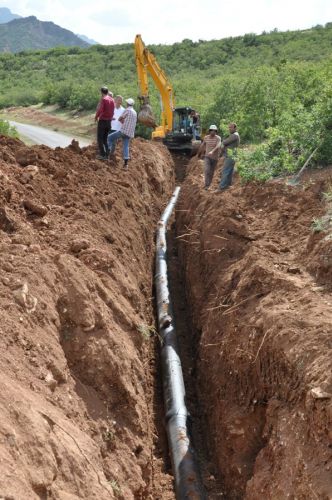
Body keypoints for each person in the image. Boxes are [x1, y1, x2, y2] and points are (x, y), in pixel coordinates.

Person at [107, 98, 137, 169]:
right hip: (130, 133)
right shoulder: (135, 112)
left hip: (123, 131)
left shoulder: (127, 110)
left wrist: (123, 122)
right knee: (126, 146)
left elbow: (120, 118)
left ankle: (107, 154)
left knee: (109, 138)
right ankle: (126, 164)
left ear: (127, 104)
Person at [216, 123, 240, 191]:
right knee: (229, 171)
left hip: (231, 156)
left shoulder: (234, 135)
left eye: (231, 127)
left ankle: (222, 187)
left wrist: (223, 143)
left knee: (225, 171)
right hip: (232, 155)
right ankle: (228, 185)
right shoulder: (233, 135)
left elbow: (225, 142)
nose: (229, 129)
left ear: (235, 128)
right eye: (229, 127)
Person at [197, 124, 221, 190]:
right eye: (212, 131)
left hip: (215, 158)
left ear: (216, 131)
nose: (213, 132)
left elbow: (218, 145)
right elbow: (203, 145)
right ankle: (206, 185)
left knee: (211, 172)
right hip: (207, 157)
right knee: (207, 170)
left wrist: (212, 151)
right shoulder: (206, 137)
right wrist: (199, 153)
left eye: (214, 131)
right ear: (209, 131)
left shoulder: (218, 138)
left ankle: (209, 184)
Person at [95, 86, 115, 160]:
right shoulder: (112, 100)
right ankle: (107, 155)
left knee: (100, 138)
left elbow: (100, 110)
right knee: (105, 139)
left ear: (101, 92)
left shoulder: (104, 99)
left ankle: (102, 155)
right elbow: (113, 111)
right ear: (107, 91)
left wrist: (96, 116)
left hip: (103, 121)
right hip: (109, 122)